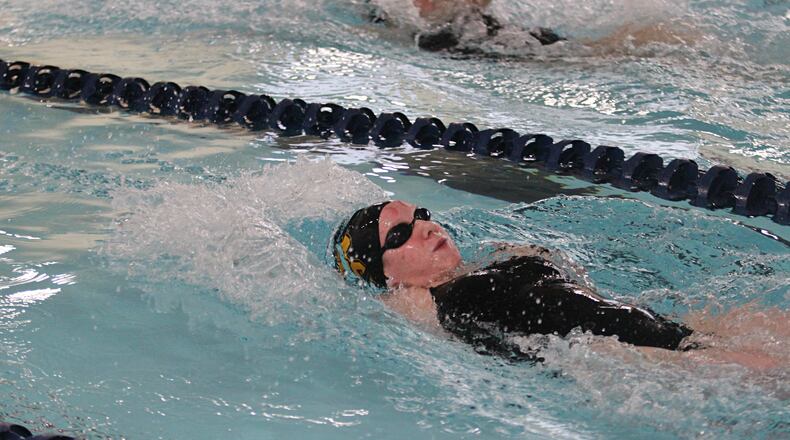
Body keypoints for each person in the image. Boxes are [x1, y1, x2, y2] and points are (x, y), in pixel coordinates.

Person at [331, 200, 697, 361]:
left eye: (421, 215)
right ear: (389, 277)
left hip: (643, 325)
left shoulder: (485, 264)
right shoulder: (414, 302)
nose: (426, 227)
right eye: (400, 234)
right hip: (628, 356)